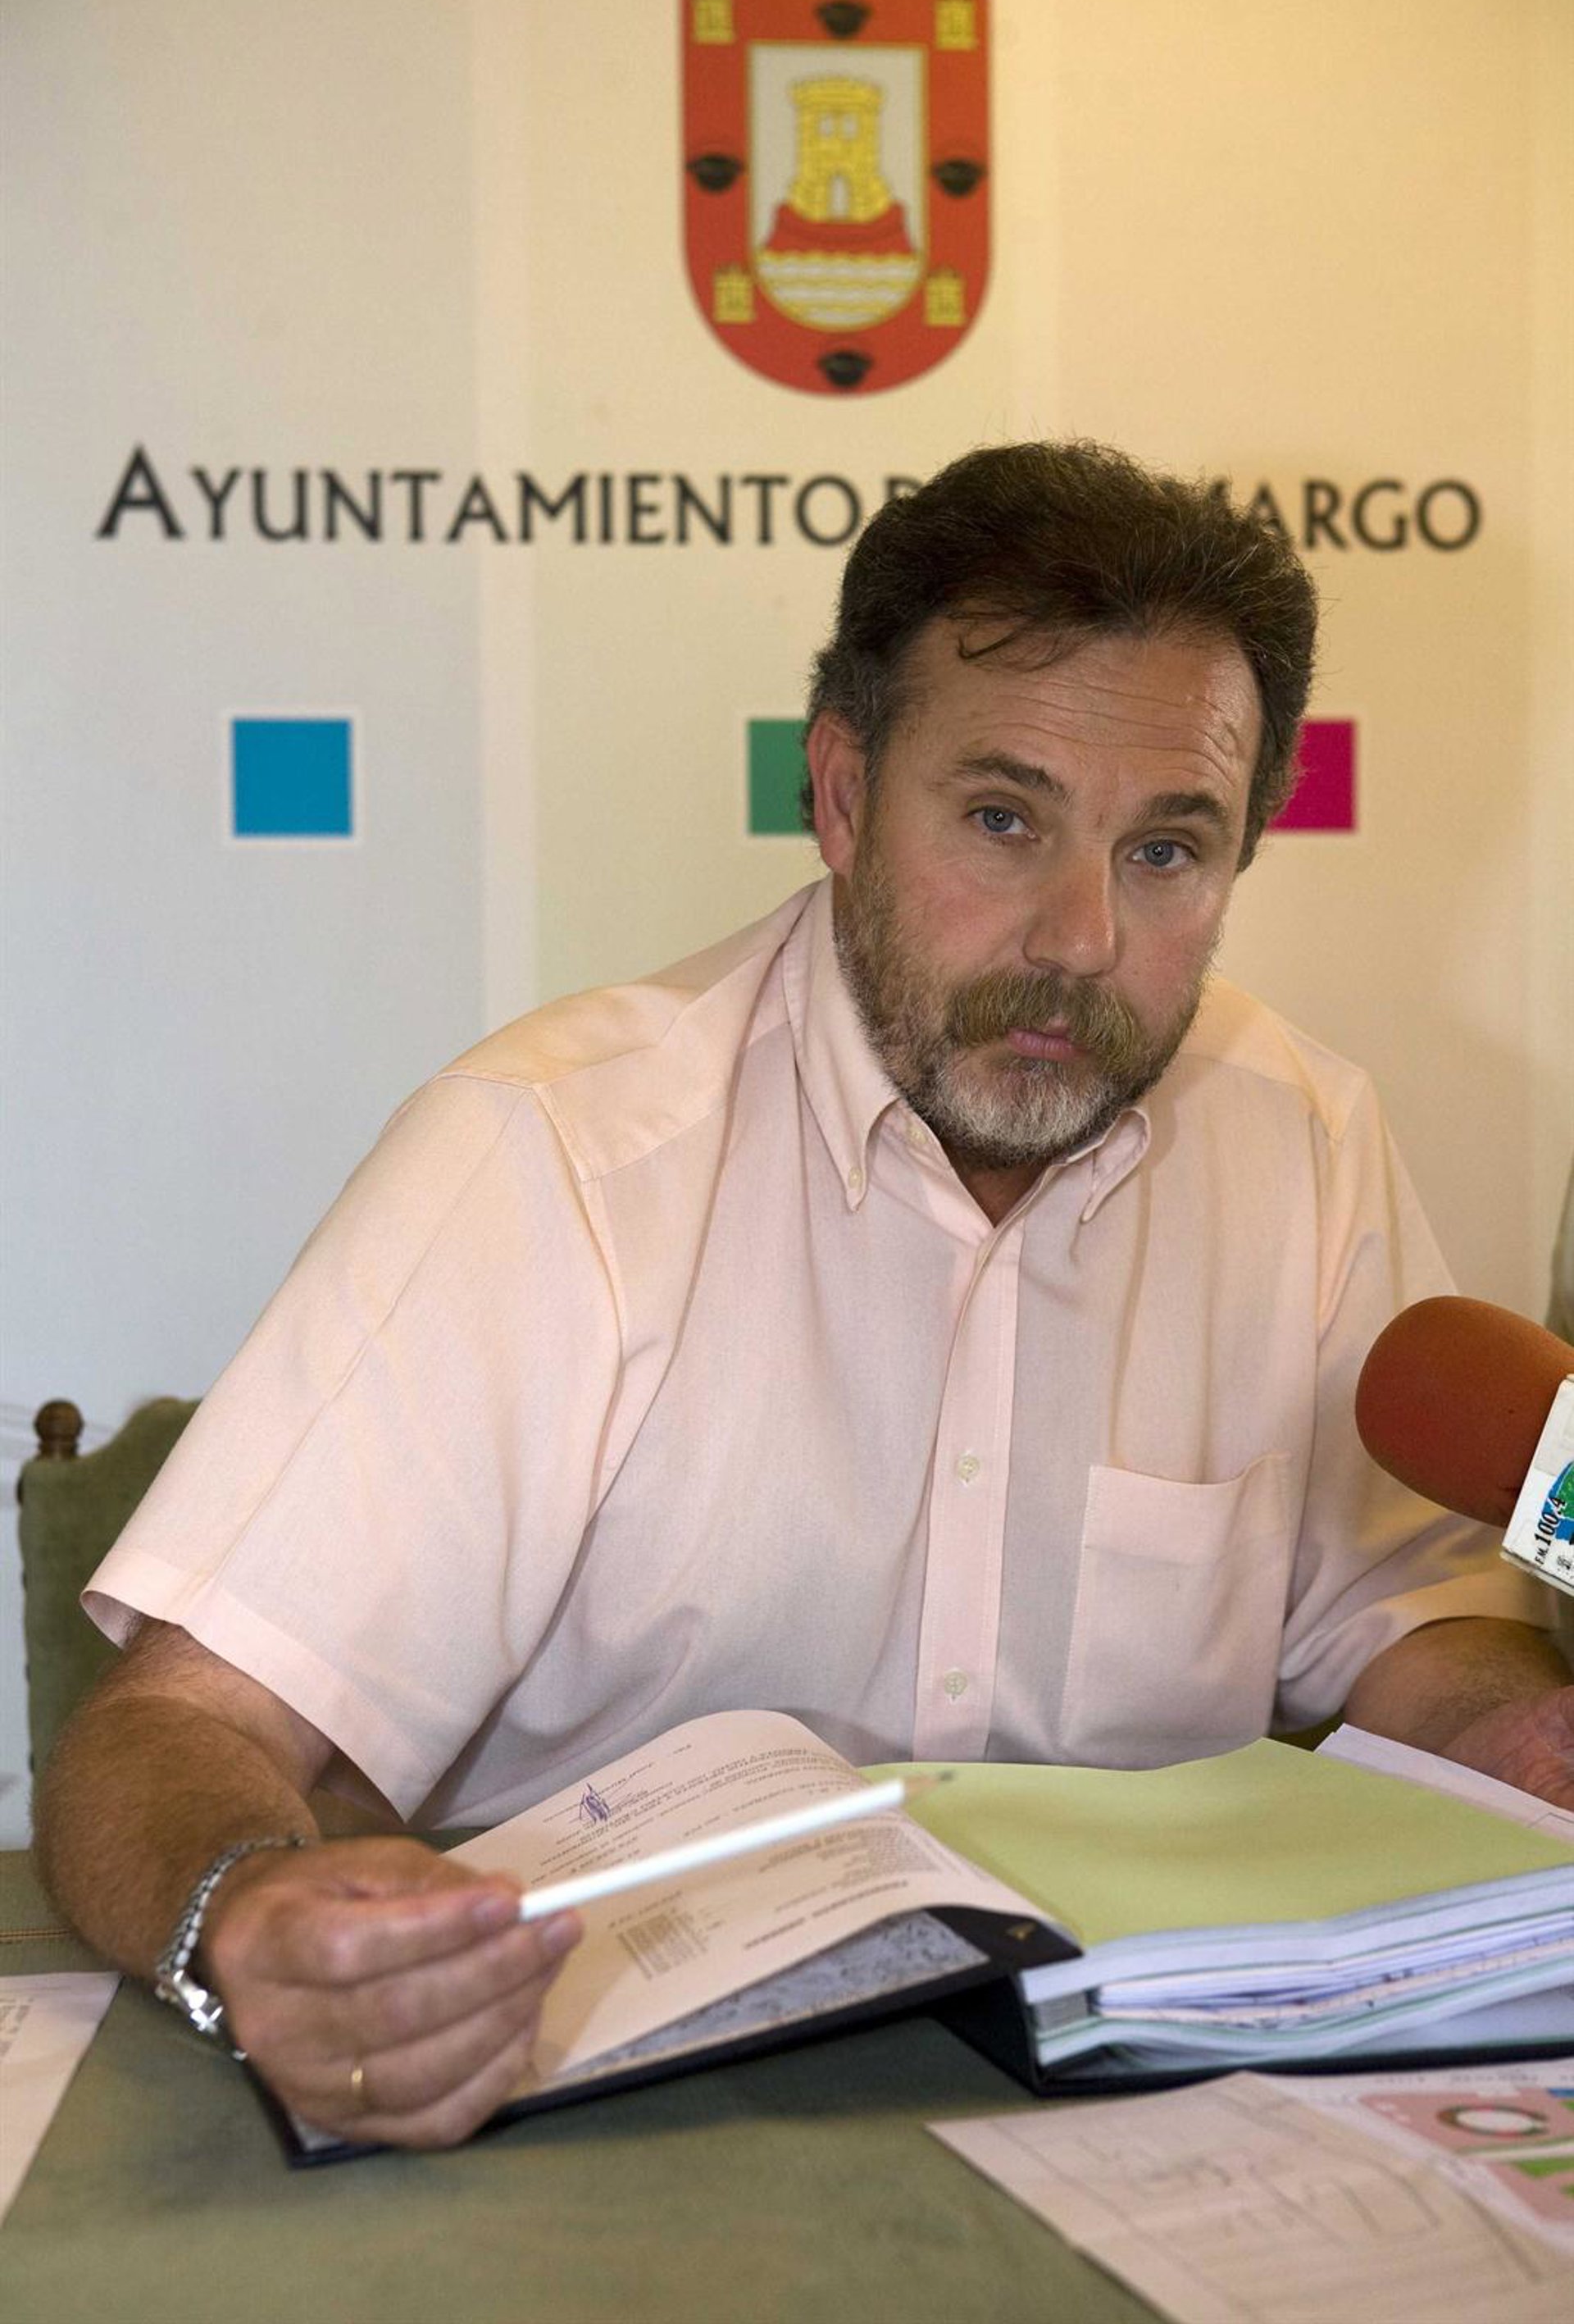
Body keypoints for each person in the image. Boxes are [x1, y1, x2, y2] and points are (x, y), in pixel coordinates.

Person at [37, 440, 1572, 2150]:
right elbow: (171, 1732)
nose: (1080, 935)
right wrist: (245, 1920)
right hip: (611, 2124)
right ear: (841, 796)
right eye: (1003, 821)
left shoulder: (1303, 1138)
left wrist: (1524, 1733)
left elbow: (1405, 1626)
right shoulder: (557, 1154)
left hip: (1149, 2110)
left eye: (1166, 850)